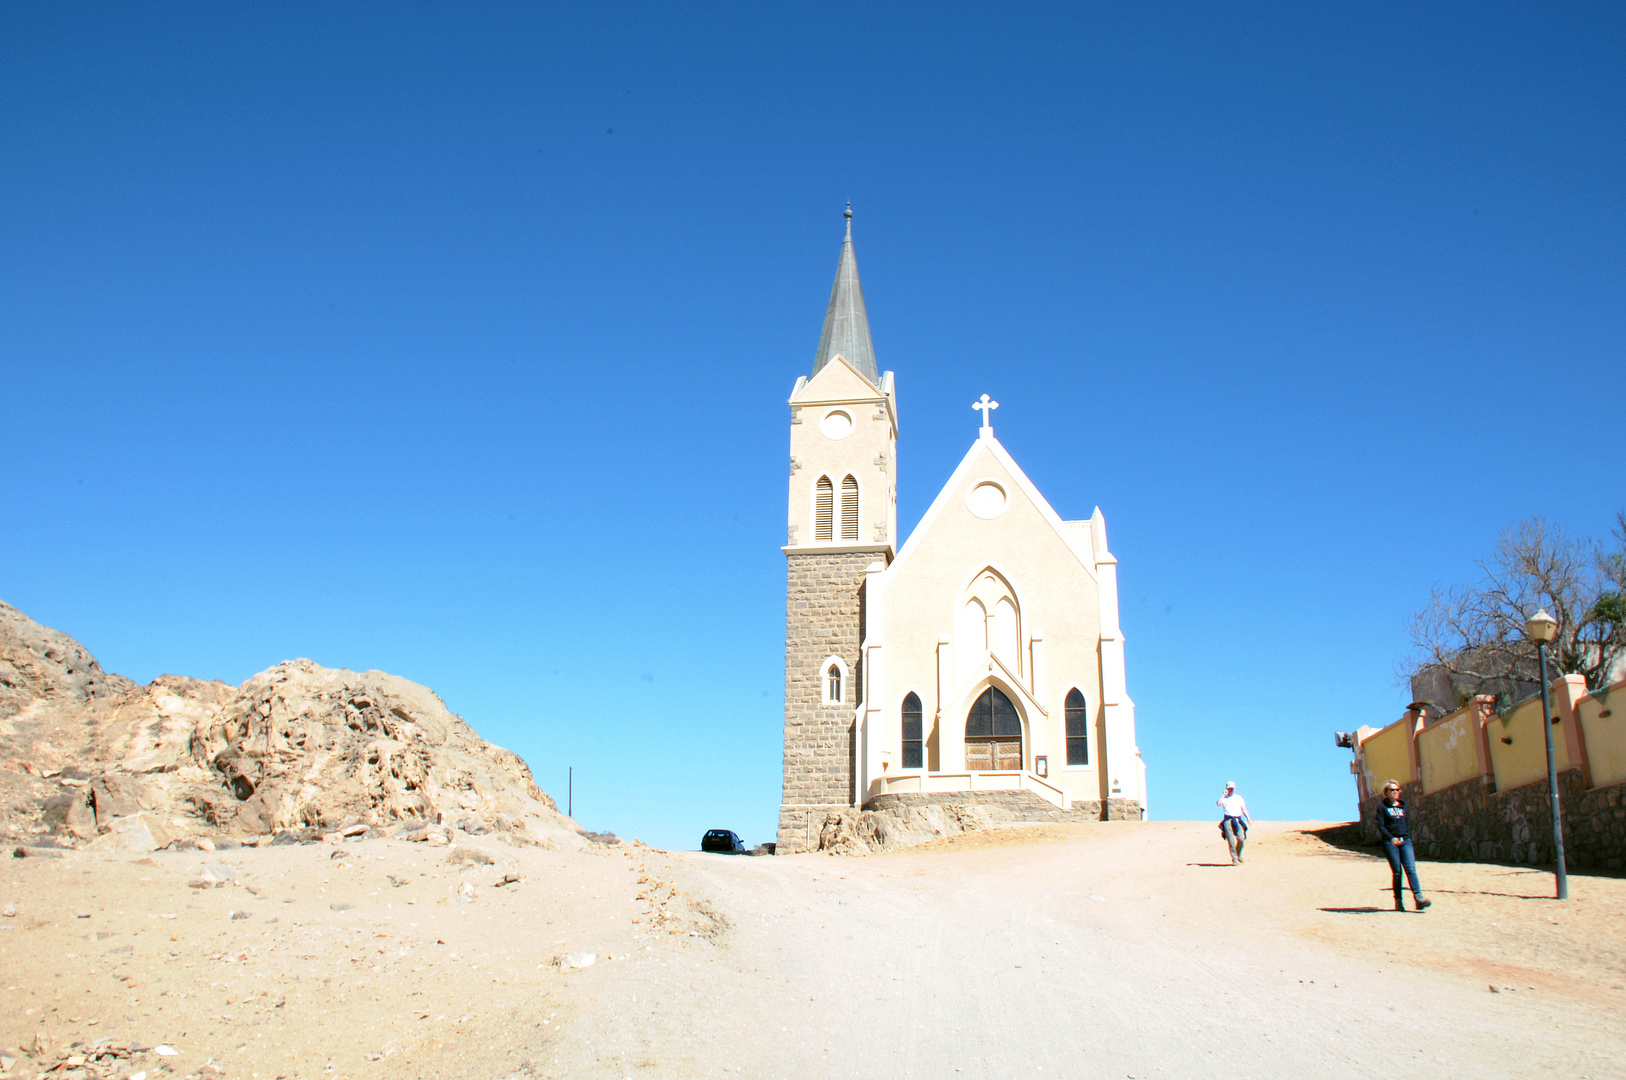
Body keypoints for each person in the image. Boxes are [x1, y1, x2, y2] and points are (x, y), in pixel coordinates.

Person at [1375, 780, 1432, 912]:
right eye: (1392, 790)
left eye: (1397, 790)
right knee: (1397, 871)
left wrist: (1404, 837)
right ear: (1386, 793)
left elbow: (1407, 823)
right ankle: (1399, 901)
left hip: (1405, 840)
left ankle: (1419, 898)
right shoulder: (1382, 807)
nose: (1395, 792)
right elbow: (1381, 825)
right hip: (1390, 842)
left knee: (1411, 868)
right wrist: (1391, 838)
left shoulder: (1403, 806)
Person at [1217, 781, 1249, 864]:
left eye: (1232, 788)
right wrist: (1224, 795)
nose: (1231, 790)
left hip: (1237, 820)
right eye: (1229, 788)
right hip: (1228, 820)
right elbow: (1218, 803)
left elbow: (1243, 808)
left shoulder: (1238, 798)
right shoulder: (1224, 798)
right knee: (1231, 841)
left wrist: (1248, 817)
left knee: (1241, 838)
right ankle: (1234, 858)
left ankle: (1238, 855)